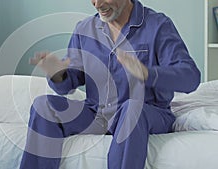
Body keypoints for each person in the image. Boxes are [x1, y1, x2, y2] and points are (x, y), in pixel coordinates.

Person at [20, 0, 201, 168]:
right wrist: (57, 74)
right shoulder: (84, 29)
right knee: (43, 106)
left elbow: (191, 77)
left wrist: (147, 73)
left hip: (147, 113)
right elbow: (69, 83)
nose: (97, 4)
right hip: (97, 114)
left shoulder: (158, 25)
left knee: (132, 108)